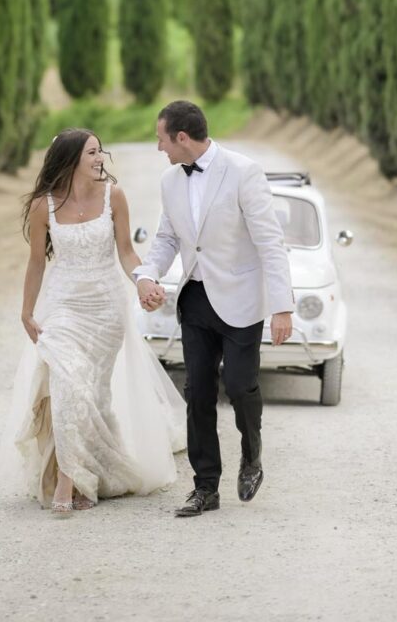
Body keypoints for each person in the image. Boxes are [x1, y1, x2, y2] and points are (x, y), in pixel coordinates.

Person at [0, 128, 185, 518]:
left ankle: (95, 472)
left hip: (106, 308)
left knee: (94, 395)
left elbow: (127, 252)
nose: (100, 158)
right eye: (91, 153)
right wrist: (26, 311)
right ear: (70, 160)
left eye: (100, 151)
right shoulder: (44, 205)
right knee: (68, 385)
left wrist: (143, 281)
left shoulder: (113, 196)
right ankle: (68, 480)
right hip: (63, 306)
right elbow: (36, 262)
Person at [134, 100, 294, 518]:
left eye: (161, 139)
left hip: (242, 300)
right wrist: (147, 274)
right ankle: (205, 487)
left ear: (181, 137)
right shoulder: (170, 180)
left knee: (240, 387)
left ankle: (252, 456)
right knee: (198, 393)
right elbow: (167, 238)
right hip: (195, 299)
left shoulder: (244, 171)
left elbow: (270, 242)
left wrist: (282, 307)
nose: (159, 147)